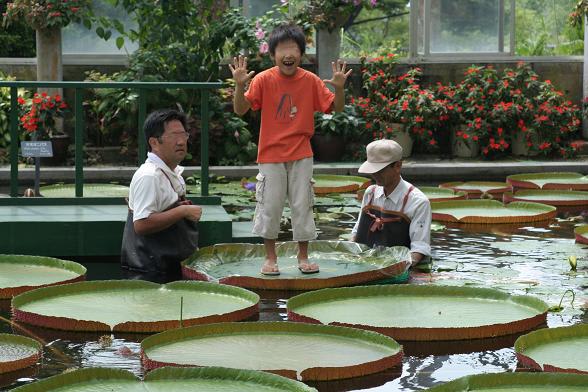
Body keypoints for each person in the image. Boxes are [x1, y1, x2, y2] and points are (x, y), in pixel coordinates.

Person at [230, 23, 352, 276]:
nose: (288, 55)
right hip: (270, 154)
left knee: (302, 204)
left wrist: (339, 89)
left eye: (294, 49)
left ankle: (303, 256)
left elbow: (336, 109)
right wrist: (240, 86)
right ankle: (270, 258)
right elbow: (240, 110)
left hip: (301, 153)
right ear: (273, 54)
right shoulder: (263, 79)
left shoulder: (310, 81)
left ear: (301, 53)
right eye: (282, 50)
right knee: (270, 207)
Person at [121, 109, 202, 283]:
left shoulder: (173, 173)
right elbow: (141, 225)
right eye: (173, 136)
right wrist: (183, 212)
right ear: (154, 142)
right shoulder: (149, 176)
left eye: (184, 135)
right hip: (149, 275)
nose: (181, 141)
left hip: (168, 269)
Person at [351, 139, 431, 266]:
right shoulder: (370, 193)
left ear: (398, 166)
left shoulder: (418, 202)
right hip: (365, 264)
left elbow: (419, 248)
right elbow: (356, 234)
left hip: (399, 269)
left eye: (380, 170)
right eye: (372, 169)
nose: (375, 174)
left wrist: (395, 269)